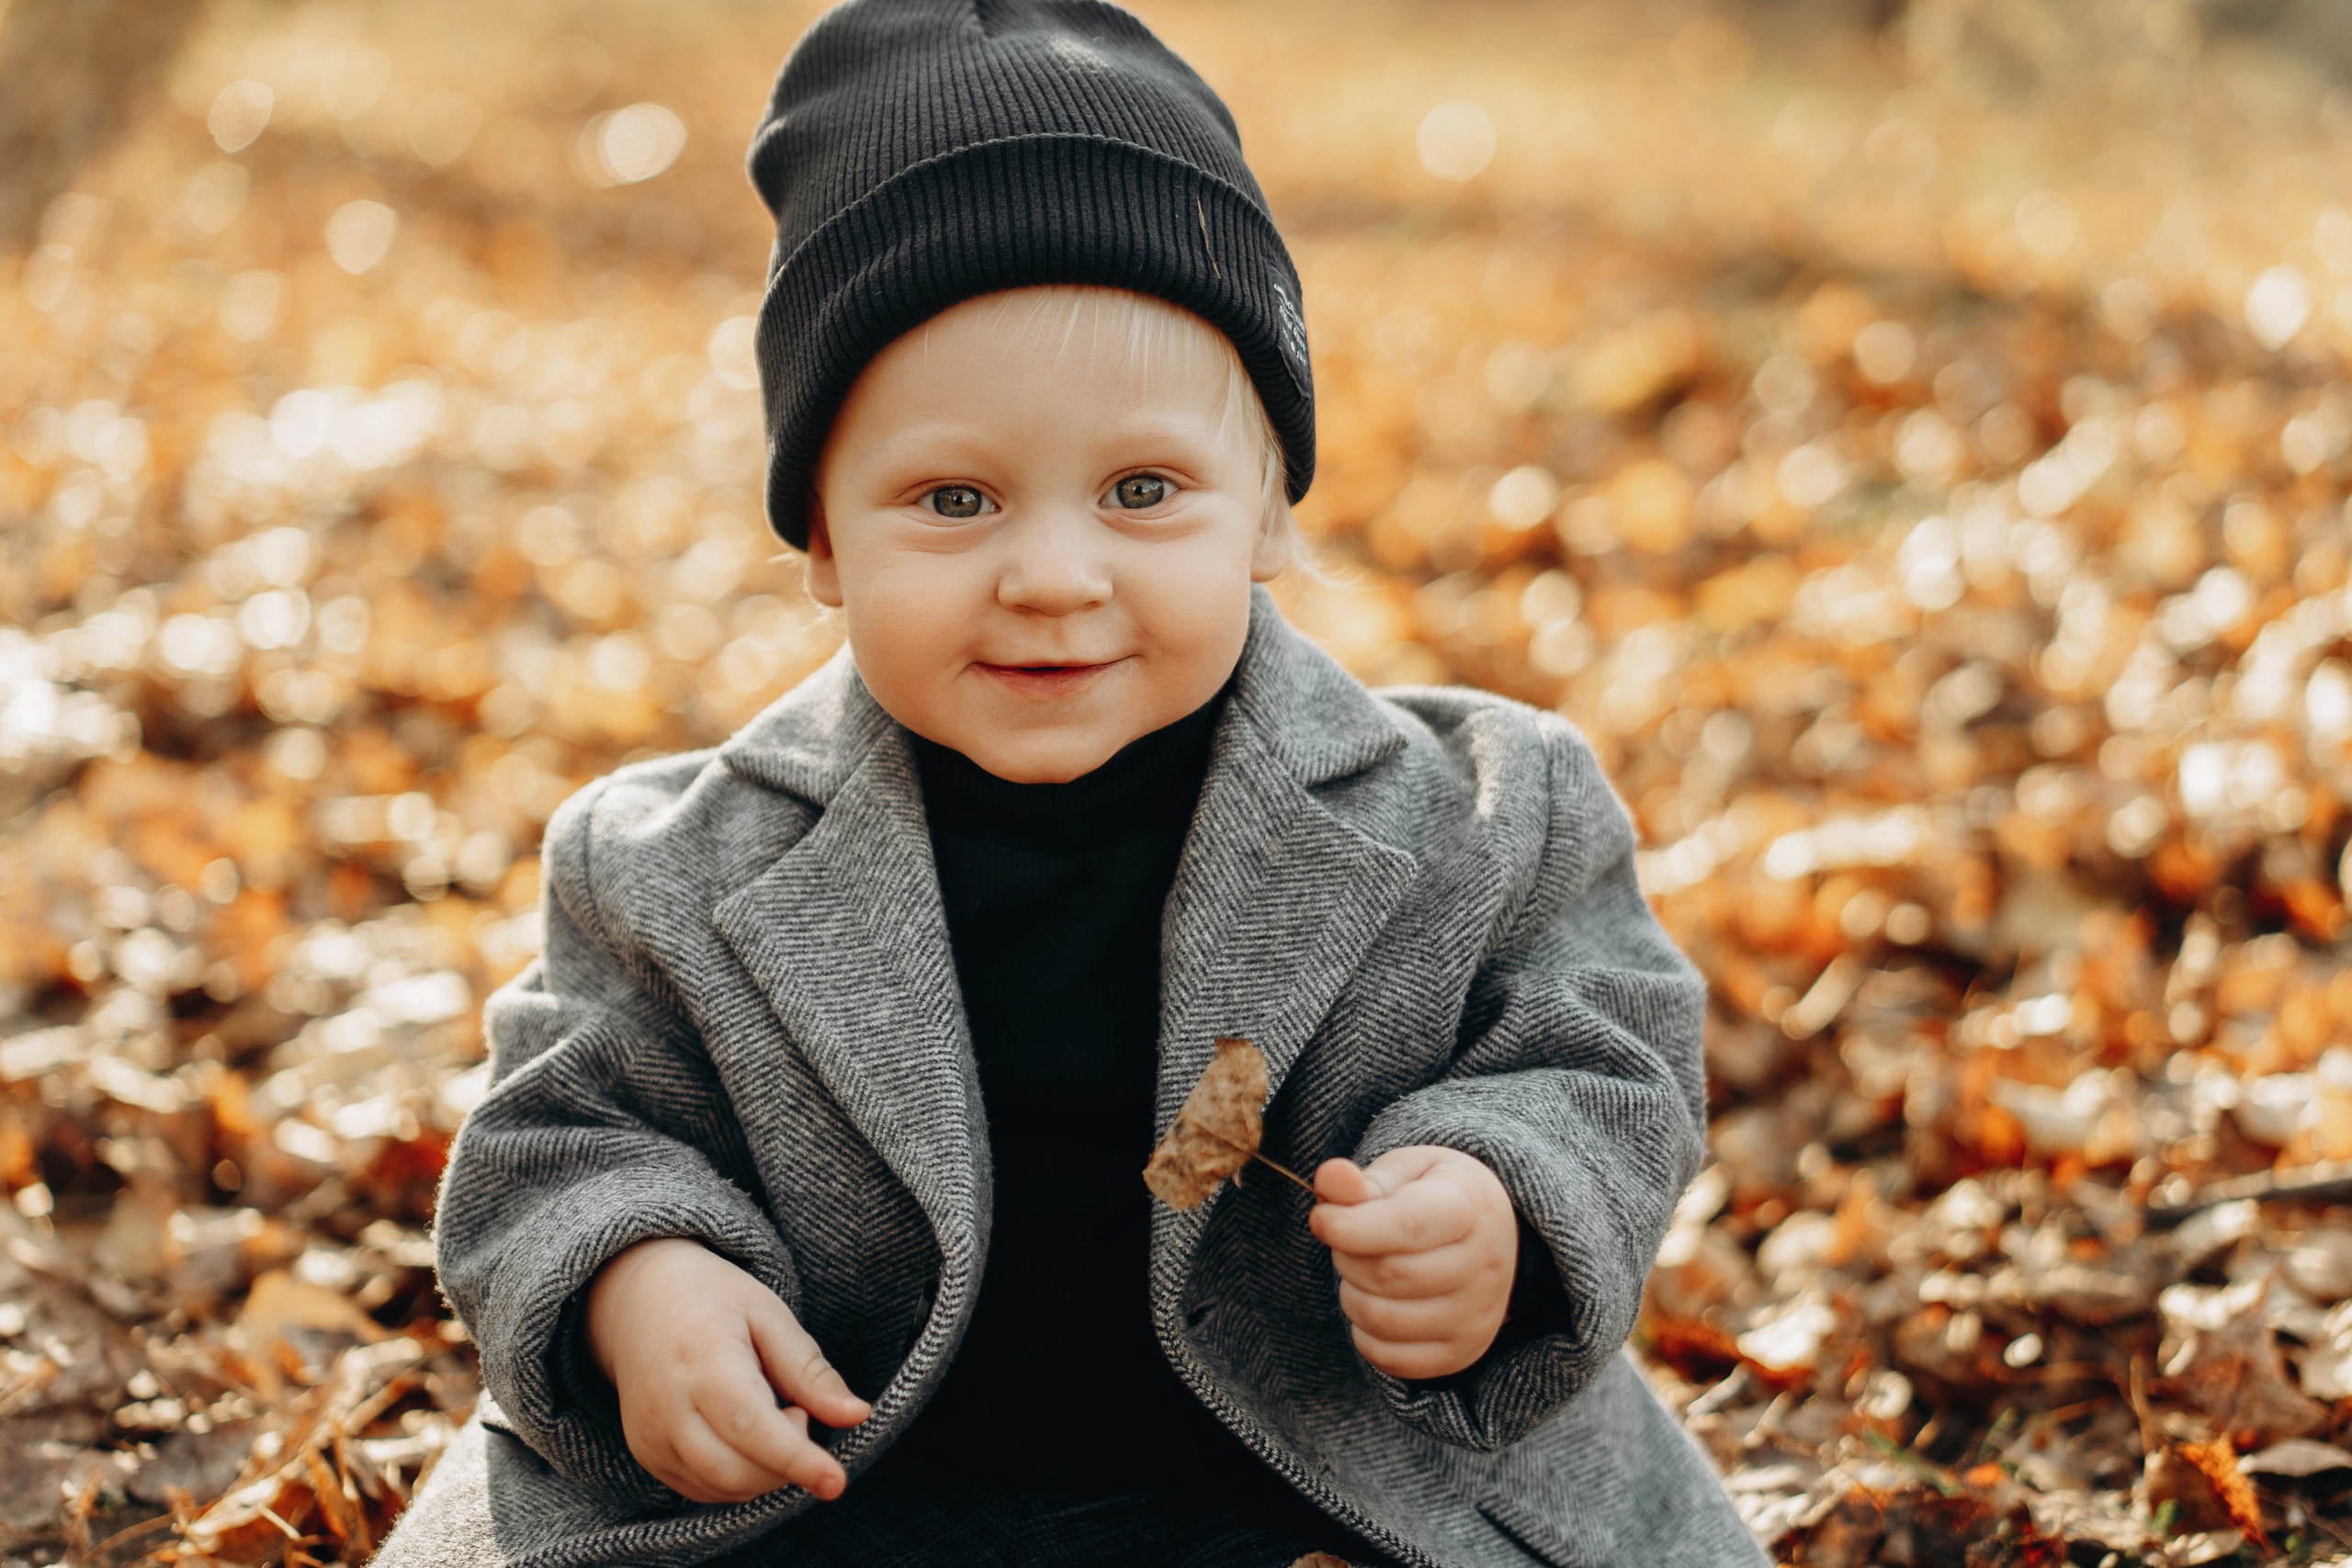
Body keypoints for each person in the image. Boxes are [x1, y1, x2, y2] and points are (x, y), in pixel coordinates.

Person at [374, 2, 1762, 1564]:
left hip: (1333, 1477)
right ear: (824, 540)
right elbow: (559, 1140)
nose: (1051, 575)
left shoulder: (1489, 814)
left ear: (1269, 515)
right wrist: (638, 1283)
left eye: (1142, 490)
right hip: (841, 1485)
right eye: (953, 499)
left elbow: (1602, 1054)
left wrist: (1505, 1198)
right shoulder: (662, 868)